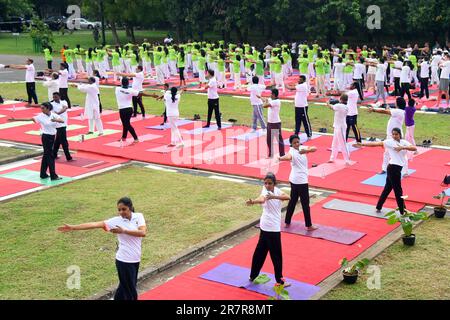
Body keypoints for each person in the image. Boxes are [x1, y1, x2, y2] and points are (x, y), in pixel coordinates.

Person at [57, 197, 147, 300]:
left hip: (136, 259)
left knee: (124, 287)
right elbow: (95, 224)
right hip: (124, 260)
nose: (121, 212)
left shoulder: (139, 216)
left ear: (130, 207)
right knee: (130, 290)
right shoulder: (116, 221)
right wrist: (73, 227)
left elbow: (142, 233)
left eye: (124, 209)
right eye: (119, 210)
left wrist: (124, 231)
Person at [353, 128, 417, 215]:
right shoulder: (389, 142)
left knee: (387, 188)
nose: (394, 136)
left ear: (400, 134)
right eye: (393, 134)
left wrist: (403, 147)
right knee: (398, 191)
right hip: (393, 168)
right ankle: (403, 211)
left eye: (396, 134)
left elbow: (413, 148)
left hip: (397, 168)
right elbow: (375, 144)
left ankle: (379, 206)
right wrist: (362, 144)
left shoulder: (404, 142)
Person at [246, 173, 291, 287]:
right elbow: (261, 199)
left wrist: (274, 197)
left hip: (269, 228)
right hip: (270, 228)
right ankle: (279, 281)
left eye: (269, 183)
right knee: (274, 255)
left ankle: (253, 276)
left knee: (260, 252)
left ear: (274, 184)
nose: (267, 185)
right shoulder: (265, 191)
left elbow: (288, 197)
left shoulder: (277, 191)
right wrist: (253, 202)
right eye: (265, 183)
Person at [8, 102, 64, 180]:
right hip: (46, 137)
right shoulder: (40, 116)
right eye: (41, 108)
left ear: (48, 108)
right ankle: (53, 175)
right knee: (50, 156)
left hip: (52, 136)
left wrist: (56, 120)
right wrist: (15, 119)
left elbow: (62, 120)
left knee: (46, 155)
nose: (41, 109)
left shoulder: (53, 115)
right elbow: (29, 119)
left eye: (43, 108)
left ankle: (43, 174)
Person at [278, 134, 318, 230]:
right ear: (291, 144)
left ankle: (287, 222)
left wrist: (306, 150)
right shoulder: (292, 152)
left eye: (297, 142)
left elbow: (314, 148)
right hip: (300, 181)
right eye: (294, 143)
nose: (296, 144)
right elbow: (288, 157)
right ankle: (309, 225)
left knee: (293, 201)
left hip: (295, 180)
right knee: (305, 203)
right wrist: (280, 158)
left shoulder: (302, 148)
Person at [368, 97, 406, 174]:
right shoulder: (400, 111)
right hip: (392, 135)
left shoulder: (398, 111)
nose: (395, 103)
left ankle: (402, 170)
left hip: (395, 136)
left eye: (396, 102)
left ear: (398, 104)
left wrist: (374, 110)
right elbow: (389, 111)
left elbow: (384, 111)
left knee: (398, 152)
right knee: (387, 152)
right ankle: (384, 169)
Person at [115, 77, 154, 144]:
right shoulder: (131, 90)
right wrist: (151, 95)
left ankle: (136, 138)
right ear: (128, 83)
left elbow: (123, 89)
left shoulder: (117, 89)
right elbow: (141, 94)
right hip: (129, 109)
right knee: (125, 124)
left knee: (126, 124)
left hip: (122, 110)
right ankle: (124, 137)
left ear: (121, 83)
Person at [327, 94, 351, 165]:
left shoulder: (339, 106)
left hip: (340, 127)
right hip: (338, 126)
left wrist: (327, 103)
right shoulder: (345, 106)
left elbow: (331, 107)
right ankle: (332, 158)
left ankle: (347, 160)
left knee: (343, 144)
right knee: (334, 143)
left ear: (341, 99)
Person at [51, 92, 73, 161]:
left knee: (57, 141)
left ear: (59, 97)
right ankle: (68, 157)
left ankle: (54, 154)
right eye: (53, 97)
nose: (54, 98)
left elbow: (65, 108)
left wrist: (58, 113)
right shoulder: (51, 104)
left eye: (56, 97)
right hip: (59, 124)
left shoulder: (64, 102)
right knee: (64, 141)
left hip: (64, 123)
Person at [263, 89, 285, 158]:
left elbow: (265, 105)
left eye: (271, 94)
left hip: (276, 123)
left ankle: (282, 154)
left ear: (274, 95)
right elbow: (266, 100)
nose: (270, 95)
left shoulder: (277, 101)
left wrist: (265, 101)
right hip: (270, 122)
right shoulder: (272, 100)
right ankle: (270, 154)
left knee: (279, 139)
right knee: (269, 140)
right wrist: (263, 98)